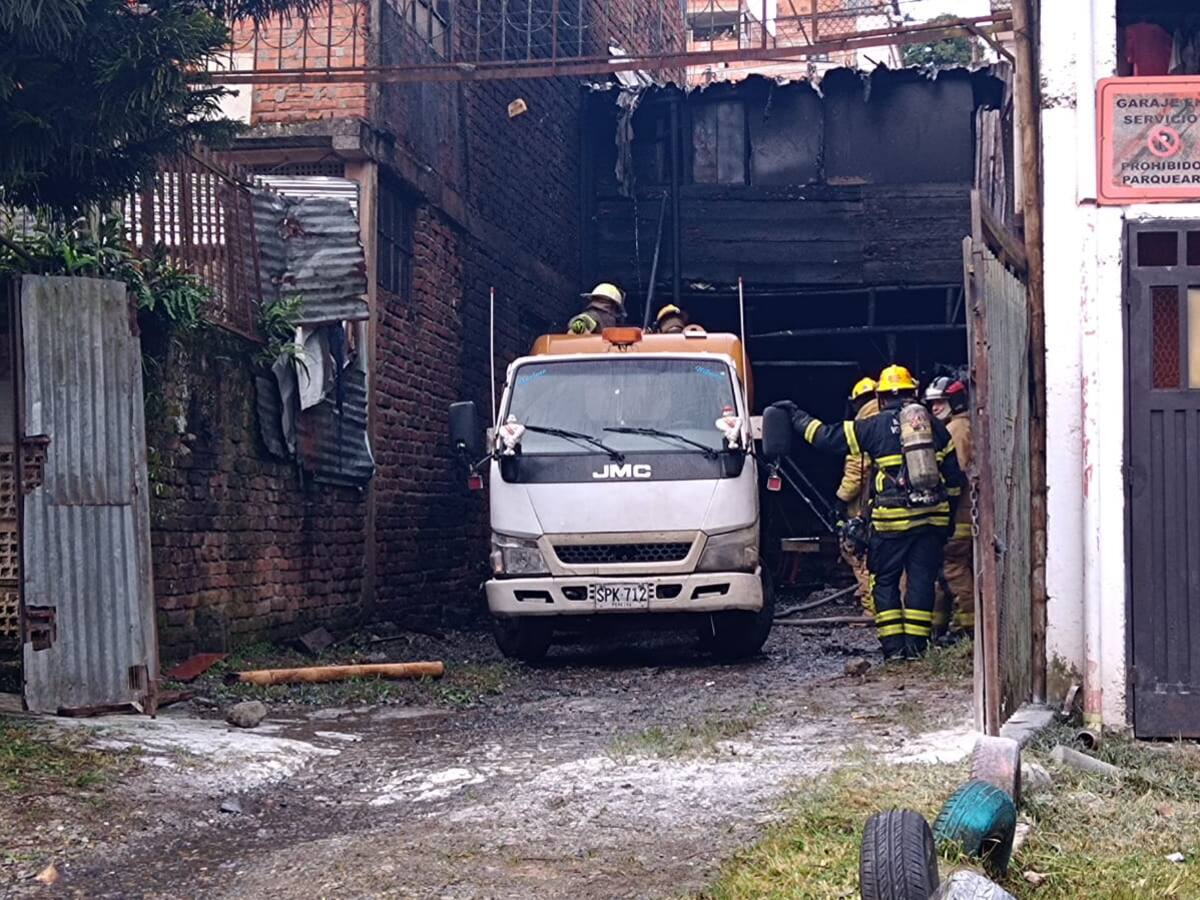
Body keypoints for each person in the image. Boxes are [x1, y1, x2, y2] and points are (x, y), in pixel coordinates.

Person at [772, 365, 965, 660]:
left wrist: (796, 415)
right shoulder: (936, 428)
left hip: (891, 524)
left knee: (885, 580)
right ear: (913, 393)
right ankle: (916, 649)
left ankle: (894, 651)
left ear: (881, 397)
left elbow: (825, 437)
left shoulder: (872, 426)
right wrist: (946, 518)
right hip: (931, 519)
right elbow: (954, 479)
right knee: (922, 581)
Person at [925, 376, 974, 642]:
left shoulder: (957, 428)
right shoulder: (955, 426)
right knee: (942, 571)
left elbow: (958, 470)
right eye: (931, 404)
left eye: (940, 402)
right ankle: (938, 630)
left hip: (959, 513)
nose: (934, 409)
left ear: (955, 401)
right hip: (956, 512)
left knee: (953, 567)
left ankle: (969, 629)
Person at [834, 376, 879, 619]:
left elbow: (857, 470)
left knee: (858, 552)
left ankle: (870, 610)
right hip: (892, 503)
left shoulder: (863, 425)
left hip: (865, 505)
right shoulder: (895, 420)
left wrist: (841, 499)